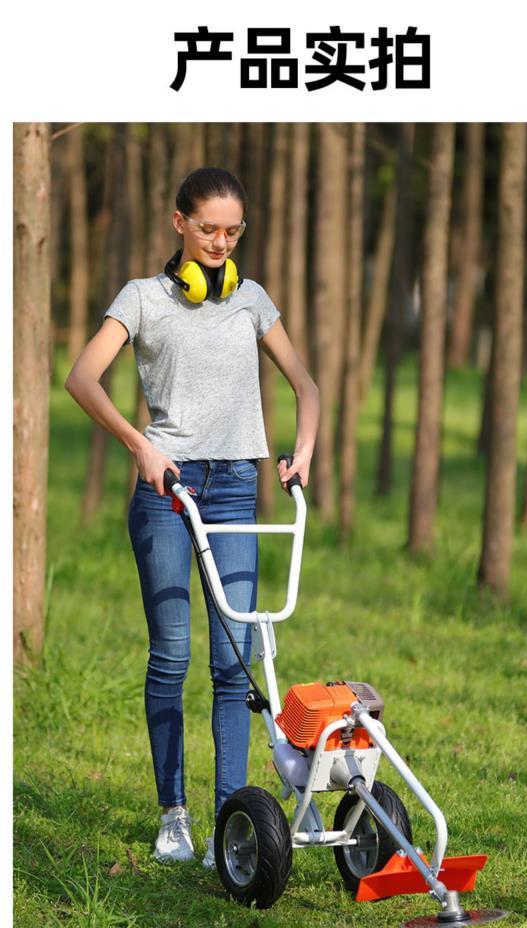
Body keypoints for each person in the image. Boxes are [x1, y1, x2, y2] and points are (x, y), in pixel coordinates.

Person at [65, 166, 320, 867]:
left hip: (237, 487)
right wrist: (139, 445)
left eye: (233, 231)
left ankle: (231, 822)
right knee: (172, 656)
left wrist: (301, 451)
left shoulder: (252, 299)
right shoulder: (142, 298)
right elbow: (81, 377)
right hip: (167, 490)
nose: (221, 241)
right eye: (208, 228)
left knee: (234, 664)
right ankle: (173, 814)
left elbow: (306, 386)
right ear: (179, 222)